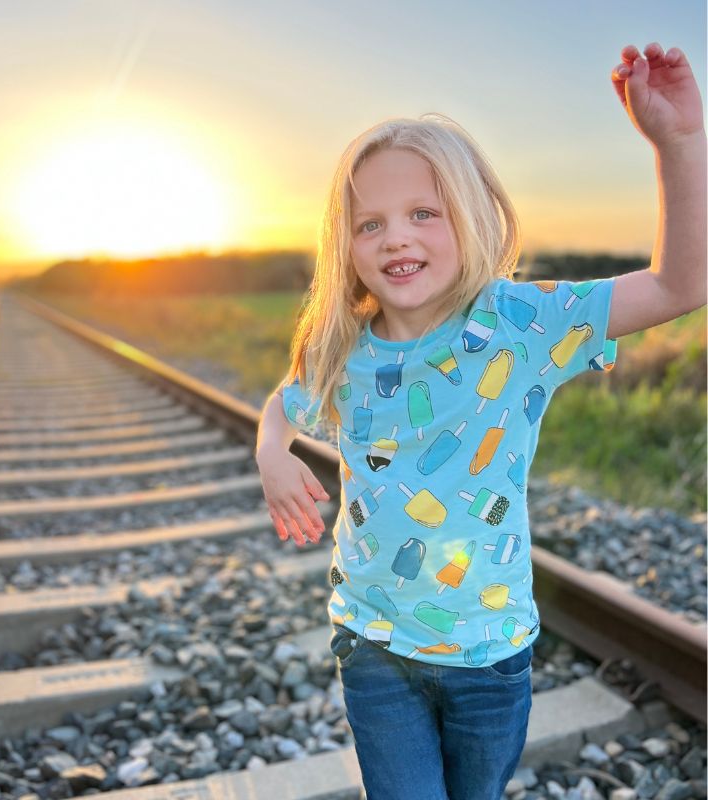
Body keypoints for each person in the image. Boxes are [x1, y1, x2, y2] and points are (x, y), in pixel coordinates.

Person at [255, 42, 705, 800]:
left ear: (469, 218)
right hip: (375, 644)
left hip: (491, 654)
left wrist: (679, 144)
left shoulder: (521, 325)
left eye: (423, 214)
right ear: (349, 246)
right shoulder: (343, 348)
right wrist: (273, 448)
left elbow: (680, 283)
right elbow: (284, 400)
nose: (396, 237)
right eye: (371, 224)